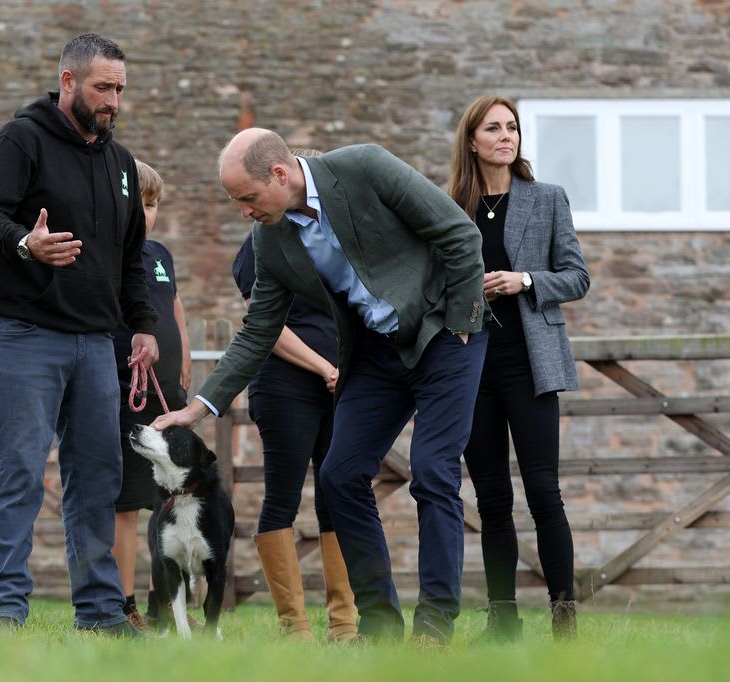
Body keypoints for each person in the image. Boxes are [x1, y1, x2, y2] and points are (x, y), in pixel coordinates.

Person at [153, 128, 488, 647]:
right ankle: (377, 627)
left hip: (443, 334)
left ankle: (435, 625)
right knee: (340, 475)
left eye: (246, 196)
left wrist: (464, 321)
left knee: (431, 470)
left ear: (280, 175)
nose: (243, 211)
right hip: (375, 354)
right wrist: (198, 409)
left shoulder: (366, 167)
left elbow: (460, 234)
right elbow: (260, 328)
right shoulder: (271, 236)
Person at [0, 33, 158, 635]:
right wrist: (28, 242)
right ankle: (6, 610)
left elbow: (132, 258)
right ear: (69, 81)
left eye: (121, 89)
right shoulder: (19, 139)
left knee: (98, 477)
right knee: (19, 471)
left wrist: (145, 328)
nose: (113, 101)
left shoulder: (122, 164)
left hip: (98, 342)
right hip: (26, 333)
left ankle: (100, 613)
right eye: (103, 88)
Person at [446, 95, 590, 641]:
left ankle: (564, 619)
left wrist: (523, 280)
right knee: (491, 499)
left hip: (531, 365)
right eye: (494, 128)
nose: (506, 136)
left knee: (543, 494)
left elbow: (577, 277)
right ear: (473, 141)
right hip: (471, 368)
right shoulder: (451, 206)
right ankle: (502, 621)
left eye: (512, 128)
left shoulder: (547, 199)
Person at [231, 149, 357, 642]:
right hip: (286, 384)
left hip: (342, 384)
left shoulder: (337, 238)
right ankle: (293, 625)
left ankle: (344, 623)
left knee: (338, 493)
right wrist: (326, 367)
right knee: (282, 496)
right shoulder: (260, 245)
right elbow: (267, 328)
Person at [112, 160, 192, 631]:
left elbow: (174, 306)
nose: (146, 213)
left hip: (168, 399)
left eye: (152, 204)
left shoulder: (161, 255)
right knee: (125, 505)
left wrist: (183, 363)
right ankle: (125, 607)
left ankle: (166, 604)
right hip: (125, 396)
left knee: (171, 502)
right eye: (137, 203)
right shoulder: (104, 256)